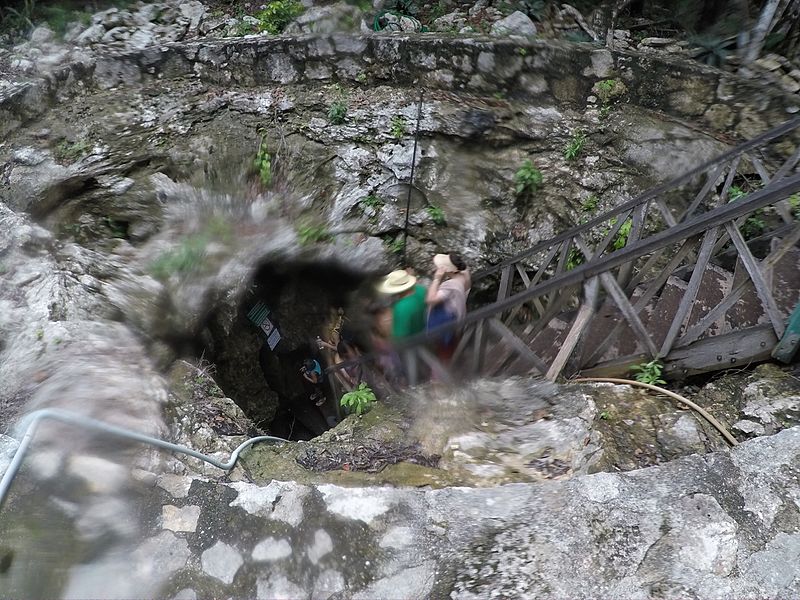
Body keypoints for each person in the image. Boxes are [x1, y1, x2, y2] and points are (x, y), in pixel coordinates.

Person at [425, 253, 471, 361]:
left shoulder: (450, 286)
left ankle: (441, 376)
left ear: (448, 270)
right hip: (458, 317)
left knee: (443, 353)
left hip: (445, 324)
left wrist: (436, 279)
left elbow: (431, 300)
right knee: (452, 348)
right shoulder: (465, 275)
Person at [376, 269, 427, 341]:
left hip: (411, 340)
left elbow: (400, 335)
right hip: (423, 331)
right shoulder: (421, 289)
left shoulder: (401, 307)